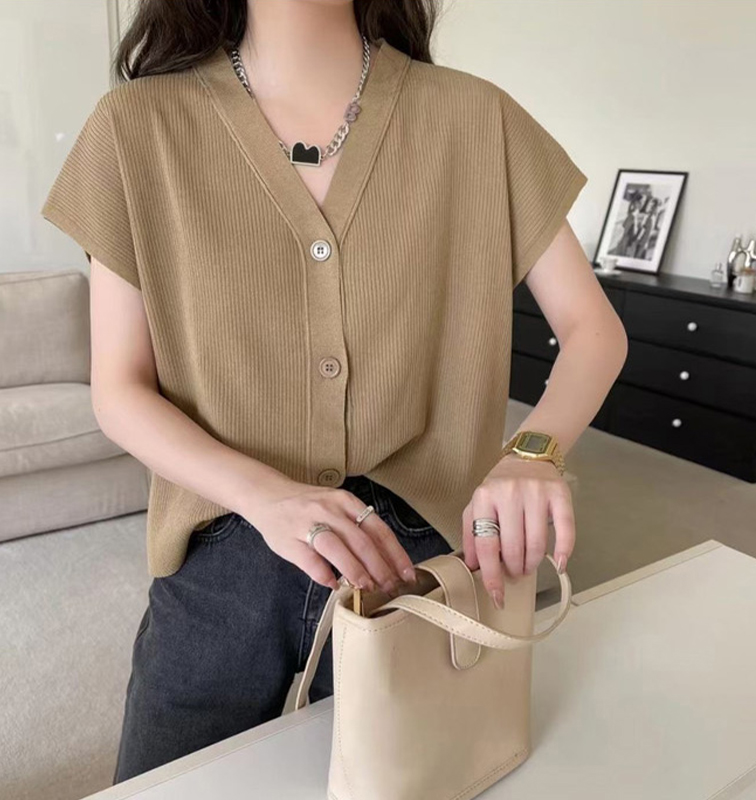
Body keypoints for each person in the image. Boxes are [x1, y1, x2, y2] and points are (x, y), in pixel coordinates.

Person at [40, 0, 628, 784]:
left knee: (420, 779)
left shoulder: (476, 120)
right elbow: (119, 388)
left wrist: (532, 452)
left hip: (420, 558)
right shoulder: (135, 128)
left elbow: (594, 332)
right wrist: (265, 496)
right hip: (223, 545)